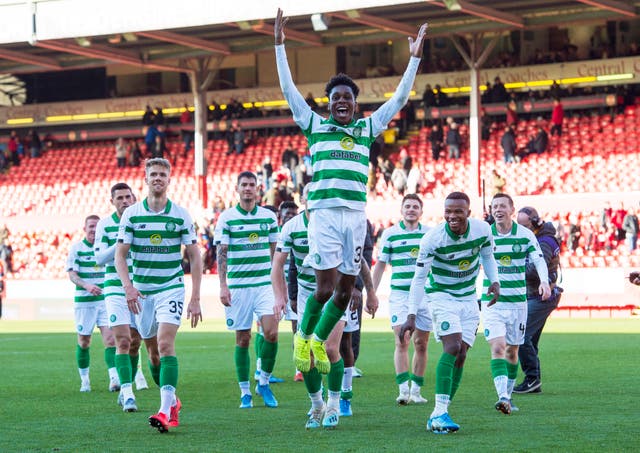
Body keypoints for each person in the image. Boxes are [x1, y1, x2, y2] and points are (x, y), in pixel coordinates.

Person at [275, 8, 425, 377]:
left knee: (345, 292)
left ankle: (316, 339)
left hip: (356, 217)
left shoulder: (366, 129)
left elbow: (400, 99)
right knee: (323, 290)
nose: (342, 101)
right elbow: (288, 90)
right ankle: (303, 337)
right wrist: (280, 46)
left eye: (348, 97)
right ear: (328, 103)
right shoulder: (314, 125)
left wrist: (414, 60)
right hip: (325, 214)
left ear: (356, 104)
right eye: (336, 97)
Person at [271, 184, 377, 429]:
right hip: (309, 296)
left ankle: (334, 404)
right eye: (310, 197)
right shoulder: (291, 227)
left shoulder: (335, 223)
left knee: (331, 348)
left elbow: (358, 260)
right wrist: (280, 296)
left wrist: (368, 290)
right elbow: (277, 265)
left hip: (335, 295)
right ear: (305, 199)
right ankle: (317, 405)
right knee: (305, 355)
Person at [399, 191, 500, 434]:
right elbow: (419, 278)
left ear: (468, 212)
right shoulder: (432, 239)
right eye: (448, 211)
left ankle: (439, 412)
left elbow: (488, 256)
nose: (452, 216)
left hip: (468, 298)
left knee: (462, 354)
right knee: (452, 347)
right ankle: (441, 411)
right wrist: (411, 314)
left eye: (458, 211)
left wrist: (494, 281)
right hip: (441, 297)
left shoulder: (483, 230)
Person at [115, 157, 202, 432]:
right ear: (146, 178)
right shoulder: (132, 214)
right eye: (153, 174)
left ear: (169, 179)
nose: (157, 178)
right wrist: (128, 286)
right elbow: (120, 254)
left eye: (162, 174)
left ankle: (164, 411)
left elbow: (195, 256)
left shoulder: (180, 214)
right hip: (142, 293)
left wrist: (196, 297)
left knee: (165, 345)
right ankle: (172, 400)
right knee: (152, 354)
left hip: (170, 287)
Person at [216, 171, 280, 409]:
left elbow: (276, 253)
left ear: (258, 189)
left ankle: (263, 381)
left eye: (252, 184)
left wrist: (279, 287)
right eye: (244, 184)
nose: (248, 188)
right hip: (239, 287)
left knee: (272, 333)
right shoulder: (227, 218)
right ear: (237, 188)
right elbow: (221, 253)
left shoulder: (268, 217)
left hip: (265, 284)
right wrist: (223, 286)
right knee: (243, 339)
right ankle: (245, 392)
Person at [481, 194, 550, 415]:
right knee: (498, 347)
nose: (498, 209)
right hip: (493, 303)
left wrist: (545, 282)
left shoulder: (525, 234)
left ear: (512, 209)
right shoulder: (484, 234)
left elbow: (539, 259)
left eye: (503, 206)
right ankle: (502, 396)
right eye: (495, 206)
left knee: (512, 351)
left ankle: (508, 397)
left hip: (518, 303)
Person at [372, 194, 431, 405]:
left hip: (424, 296)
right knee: (401, 340)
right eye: (408, 206)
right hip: (400, 295)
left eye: (415, 206)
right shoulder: (390, 234)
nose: (411, 209)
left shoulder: (429, 234)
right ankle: (403, 390)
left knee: (421, 344)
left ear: (421, 211)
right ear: (402, 210)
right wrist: (372, 292)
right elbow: (380, 266)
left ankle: (416, 390)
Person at [94, 183, 148, 413]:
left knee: (136, 341)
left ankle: (128, 384)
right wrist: (120, 245)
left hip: (141, 287)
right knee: (123, 340)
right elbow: (99, 258)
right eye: (120, 198)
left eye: (128, 197)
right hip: (115, 287)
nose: (125, 201)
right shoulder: (105, 225)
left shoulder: (143, 220)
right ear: (112, 201)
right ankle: (127, 392)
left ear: (134, 198)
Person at [66, 215, 119, 393]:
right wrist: (87, 285)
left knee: (110, 340)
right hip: (84, 303)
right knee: (84, 341)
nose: (93, 230)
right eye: (90, 226)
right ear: (84, 228)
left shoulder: (104, 248)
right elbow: (72, 275)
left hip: (104, 300)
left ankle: (113, 379)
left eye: (96, 226)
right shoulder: (77, 248)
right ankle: (85, 380)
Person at [513, 206, 562, 395]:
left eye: (524, 225)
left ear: (534, 223)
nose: (521, 230)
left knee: (522, 336)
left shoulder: (543, 243)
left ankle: (532, 378)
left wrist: (512, 270)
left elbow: (535, 270)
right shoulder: (543, 238)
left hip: (541, 295)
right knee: (530, 339)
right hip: (539, 295)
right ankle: (533, 380)